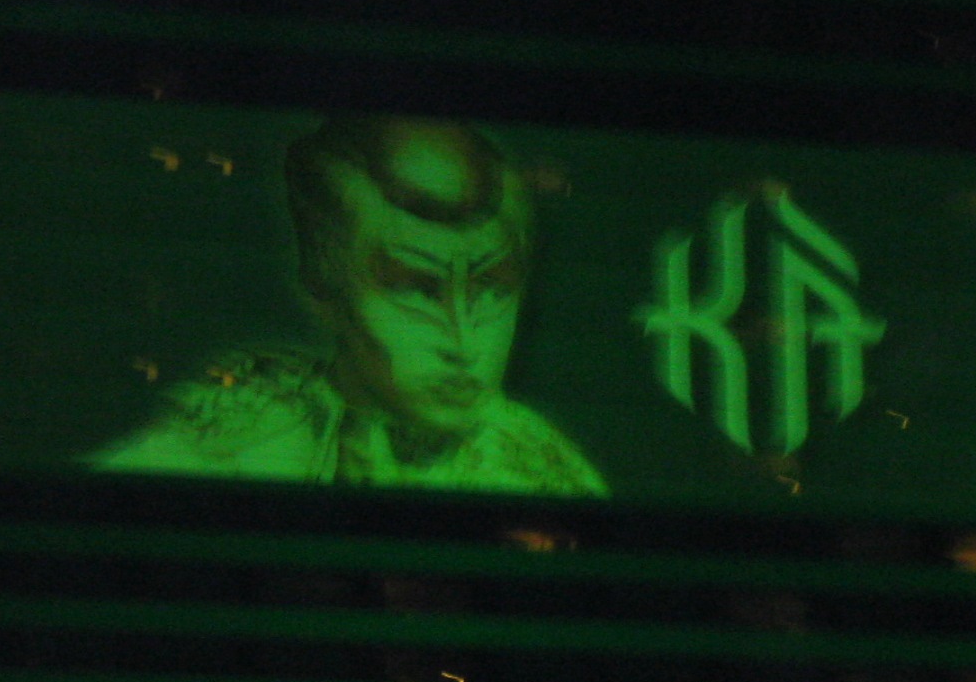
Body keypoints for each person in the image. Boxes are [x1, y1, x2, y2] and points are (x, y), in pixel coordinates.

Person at [93, 115, 606, 495]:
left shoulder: (547, 479)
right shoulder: (230, 441)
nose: (463, 340)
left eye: (493, 288)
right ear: (324, 279)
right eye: (416, 289)